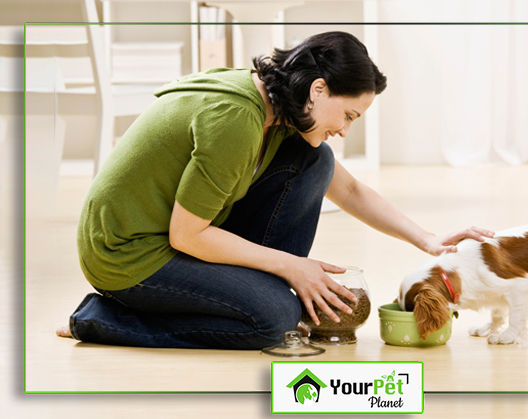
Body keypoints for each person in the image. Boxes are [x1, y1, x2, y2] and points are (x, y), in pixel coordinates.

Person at [56, 31, 494, 349]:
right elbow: (186, 236)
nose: (343, 129)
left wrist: (428, 240)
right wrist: (291, 266)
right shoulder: (235, 119)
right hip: (128, 254)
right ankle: (101, 319)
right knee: (273, 322)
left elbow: (351, 191)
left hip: (176, 236)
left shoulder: (282, 107)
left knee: (316, 160)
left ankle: (260, 291)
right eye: (349, 116)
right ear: (319, 89)